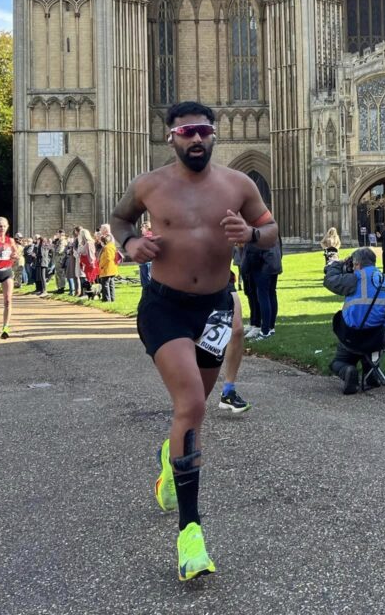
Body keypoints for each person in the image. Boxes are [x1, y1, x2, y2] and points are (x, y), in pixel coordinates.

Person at [109, 101, 278, 582]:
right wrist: (128, 245)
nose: (197, 139)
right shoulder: (149, 185)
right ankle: (190, 533)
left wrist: (250, 232)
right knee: (192, 406)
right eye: (187, 132)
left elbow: (270, 230)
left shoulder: (238, 185)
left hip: (218, 307)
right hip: (164, 307)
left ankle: (170, 457)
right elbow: (119, 220)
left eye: (204, 130)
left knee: (194, 407)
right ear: (172, 137)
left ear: (214, 135)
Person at [324, 247, 385, 394]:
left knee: (337, 362)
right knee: (371, 338)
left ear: (357, 264)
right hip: (381, 338)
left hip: (355, 338)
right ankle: (371, 371)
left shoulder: (355, 278)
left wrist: (336, 264)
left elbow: (330, 281)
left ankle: (348, 370)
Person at [97, 224, 118, 302]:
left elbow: (108, 258)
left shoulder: (107, 247)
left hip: (107, 267)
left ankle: (106, 299)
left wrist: (101, 265)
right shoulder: (110, 246)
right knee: (111, 283)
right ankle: (112, 298)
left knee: (105, 284)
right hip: (111, 267)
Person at [138, 220, 154, 289]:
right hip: (144, 262)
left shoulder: (148, 237)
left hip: (147, 262)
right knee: (145, 283)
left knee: (146, 283)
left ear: (147, 228)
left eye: (142, 227)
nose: (141, 229)